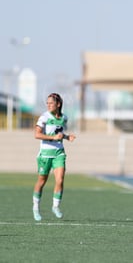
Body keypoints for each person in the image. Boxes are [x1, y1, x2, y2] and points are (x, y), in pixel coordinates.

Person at [32, 93, 76, 221]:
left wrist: (67, 137)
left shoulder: (64, 118)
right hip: (45, 155)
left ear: (58, 104)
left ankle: (55, 206)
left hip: (59, 153)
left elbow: (59, 132)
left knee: (60, 180)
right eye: (47, 103)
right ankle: (36, 208)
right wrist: (53, 138)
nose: (48, 105)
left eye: (51, 103)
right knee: (41, 182)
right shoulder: (44, 117)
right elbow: (37, 134)